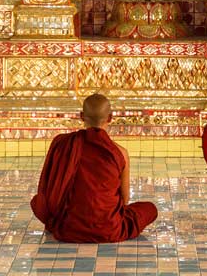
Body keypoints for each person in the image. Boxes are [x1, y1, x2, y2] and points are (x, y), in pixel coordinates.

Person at [30, 93, 158, 242]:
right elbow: (124, 200)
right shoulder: (120, 153)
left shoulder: (63, 144)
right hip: (109, 228)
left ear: (82, 116)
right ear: (110, 118)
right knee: (150, 209)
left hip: (68, 228)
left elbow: (47, 190)